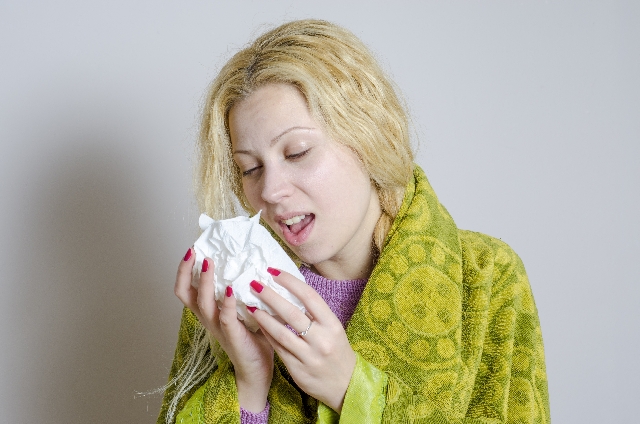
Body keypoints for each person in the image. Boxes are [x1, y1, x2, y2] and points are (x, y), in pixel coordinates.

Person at [158, 19, 550, 424]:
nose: (271, 191)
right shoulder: (228, 292)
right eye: (251, 168)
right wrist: (250, 388)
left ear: (368, 137)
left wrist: (350, 389)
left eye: (297, 153)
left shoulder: (486, 278)